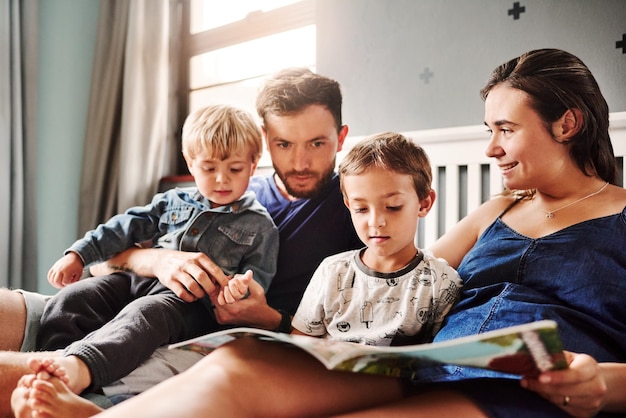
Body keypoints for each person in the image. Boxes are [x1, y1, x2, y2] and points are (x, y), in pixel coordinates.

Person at [78, 48, 625, 418]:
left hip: (520, 387)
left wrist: (601, 382)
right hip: (425, 363)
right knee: (243, 362)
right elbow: (401, 273)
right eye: (488, 131)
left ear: (566, 124)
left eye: (505, 130)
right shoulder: (496, 210)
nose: (490, 148)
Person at [6, 67, 361, 416]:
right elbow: (102, 266)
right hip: (126, 294)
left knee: (41, 371)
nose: (300, 161)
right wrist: (157, 261)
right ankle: (60, 360)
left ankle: (69, 374)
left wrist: (266, 316)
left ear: (341, 138)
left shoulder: (358, 208)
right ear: (266, 141)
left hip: (192, 321)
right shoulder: (223, 187)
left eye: (317, 143)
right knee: (66, 300)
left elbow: (358, 332)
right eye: (284, 144)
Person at [26, 104, 280, 397]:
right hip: (140, 281)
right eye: (209, 168)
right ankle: (47, 365)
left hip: (190, 304)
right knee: (75, 296)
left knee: (144, 315)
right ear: (190, 162)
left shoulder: (260, 225)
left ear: (254, 162)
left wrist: (238, 290)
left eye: (235, 169)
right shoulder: (172, 201)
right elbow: (124, 227)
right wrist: (79, 254)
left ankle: (83, 368)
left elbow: (258, 281)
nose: (222, 179)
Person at [292, 132, 462, 346]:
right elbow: (300, 342)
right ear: (348, 205)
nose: (375, 222)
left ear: (424, 203)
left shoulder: (442, 283)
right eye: (361, 208)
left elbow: (444, 358)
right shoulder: (331, 272)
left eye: (393, 207)